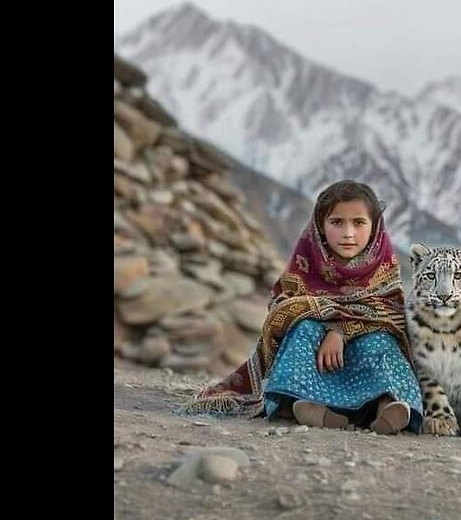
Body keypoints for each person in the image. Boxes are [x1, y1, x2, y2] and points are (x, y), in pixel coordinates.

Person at [178, 180, 423, 434]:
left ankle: (388, 406)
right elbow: (284, 306)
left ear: (374, 227)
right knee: (302, 327)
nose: (348, 233)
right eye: (337, 222)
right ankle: (302, 404)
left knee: (382, 340)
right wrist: (323, 324)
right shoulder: (307, 260)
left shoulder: (383, 267)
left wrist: (341, 331)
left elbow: (389, 313)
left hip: (365, 359)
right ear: (320, 225)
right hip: (320, 364)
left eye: (358, 223)